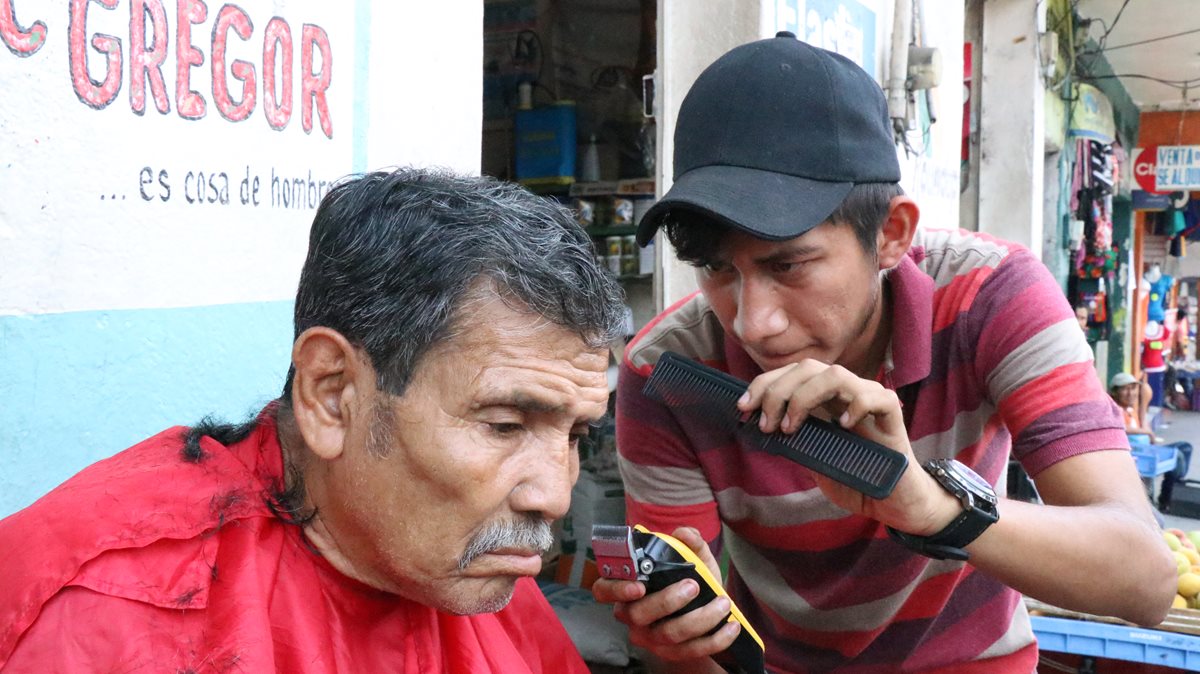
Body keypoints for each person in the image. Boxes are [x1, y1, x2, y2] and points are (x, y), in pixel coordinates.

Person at [592, 34, 1175, 673]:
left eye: (788, 264)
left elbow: (1144, 582)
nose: (754, 324)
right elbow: (689, 651)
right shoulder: (668, 372)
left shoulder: (993, 298)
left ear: (892, 233)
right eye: (715, 269)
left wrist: (928, 507)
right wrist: (677, 638)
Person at [0, 169, 627, 672]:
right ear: (332, 395)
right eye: (504, 426)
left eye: (574, 435)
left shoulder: (469, 568)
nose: (553, 494)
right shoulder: (111, 615)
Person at [1112, 372, 1194, 512]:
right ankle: (1165, 499)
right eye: (1125, 389)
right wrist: (1147, 432)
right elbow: (1120, 427)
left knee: (1185, 447)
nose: (1130, 393)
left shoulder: (1132, 409)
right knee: (1177, 455)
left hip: (1147, 449)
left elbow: (1146, 391)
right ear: (1115, 392)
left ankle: (1174, 483)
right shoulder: (1115, 409)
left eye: (1133, 388)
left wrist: (1143, 384)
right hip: (1138, 455)